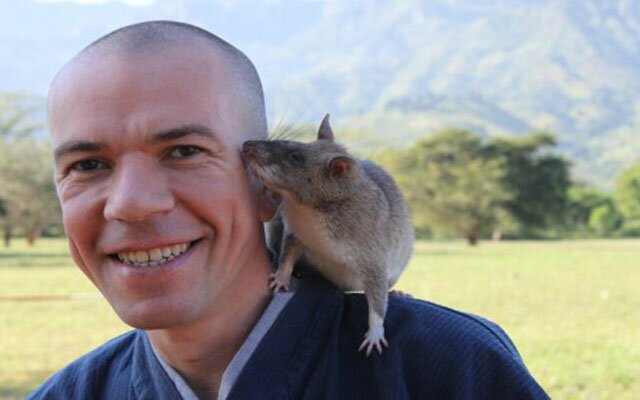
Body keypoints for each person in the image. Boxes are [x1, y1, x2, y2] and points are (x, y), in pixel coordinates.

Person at [29, 21, 549, 399]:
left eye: (184, 151)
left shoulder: (445, 369)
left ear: (266, 186)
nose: (131, 204)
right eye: (88, 164)